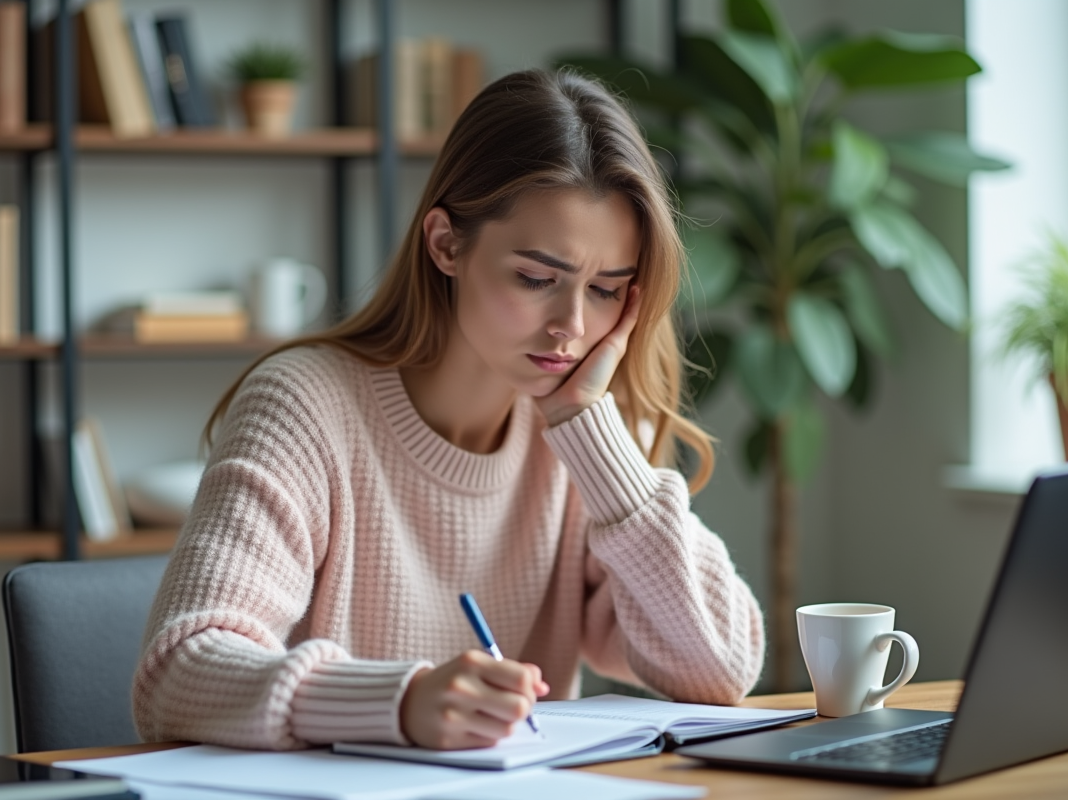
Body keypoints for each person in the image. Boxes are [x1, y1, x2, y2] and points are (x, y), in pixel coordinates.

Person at [132, 68, 764, 752]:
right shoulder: (306, 406)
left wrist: (597, 443)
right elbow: (176, 676)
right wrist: (397, 705)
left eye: (608, 289)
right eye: (535, 278)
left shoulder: (591, 432)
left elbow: (721, 674)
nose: (572, 326)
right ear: (446, 244)